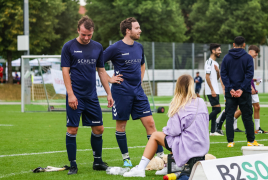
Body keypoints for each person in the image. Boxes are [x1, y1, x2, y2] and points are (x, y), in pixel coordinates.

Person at [61, 16, 123, 175]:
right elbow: (65, 72)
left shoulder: (97, 47)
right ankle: (73, 165)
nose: (86, 38)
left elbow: (101, 71)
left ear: (93, 32)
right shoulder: (68, 47)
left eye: (89, 35)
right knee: (72, 129)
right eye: (83, 35)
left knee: (99, 128)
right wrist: (71, 94)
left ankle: (97, 162)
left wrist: (109, 93)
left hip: (91, 97)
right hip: (75, 96)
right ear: (78, 30)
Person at [103, 17, 164, 167]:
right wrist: (110, 78)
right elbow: (98, 64)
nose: (140, 30)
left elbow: (142, 64)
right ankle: (126, 159)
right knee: (121, 126)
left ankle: (161, 157)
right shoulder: (115, 48)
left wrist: (140, 79)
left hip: (138, 91)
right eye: (137, 28)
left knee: (150, 123)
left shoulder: (139, 47)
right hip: (121, 92)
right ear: (127, 30)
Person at [123, 74, 209, 178]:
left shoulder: (178, 104)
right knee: (176, 138)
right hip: (202, 147)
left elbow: (174, 131)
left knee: (155, 136)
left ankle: (140, 169)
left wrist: (165, 130)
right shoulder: (201, 102)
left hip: (188, 148)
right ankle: (173, 165)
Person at [221, 36, 263, 147]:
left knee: (229, 116)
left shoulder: (226, 58)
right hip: (244, 92)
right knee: (247, 115)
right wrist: (242, 89)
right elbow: (249, 74)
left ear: (233, 44)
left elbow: (223, 74)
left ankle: (230, 142)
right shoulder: (248, 58)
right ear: (244, 45)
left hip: (230, 92)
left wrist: (230, 88)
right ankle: (250, 141)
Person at [232, 45, 267, 134]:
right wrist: (251, 87)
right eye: (256, 53)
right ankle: (231, 121)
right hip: (247, 88)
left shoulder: (248, 59)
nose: (256, 55)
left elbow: (248, 75)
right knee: (247, 108)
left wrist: (254, 80)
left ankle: (257, 128)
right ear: (250, 51)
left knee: (255, 107)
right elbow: (244, 75)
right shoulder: (246, 59)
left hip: (249, 86)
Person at [205, 43, 223, 136]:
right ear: (213, 51)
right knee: (218, 109)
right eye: (219, 50)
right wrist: (212, 90)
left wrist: (218, 71)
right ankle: (202, 124)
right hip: (211, 91)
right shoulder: (209, 62)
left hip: (216, 90)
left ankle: (212, 131)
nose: (220, 52)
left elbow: (216, 78)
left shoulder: (215, 63)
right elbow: (207, 77)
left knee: (214, 110)